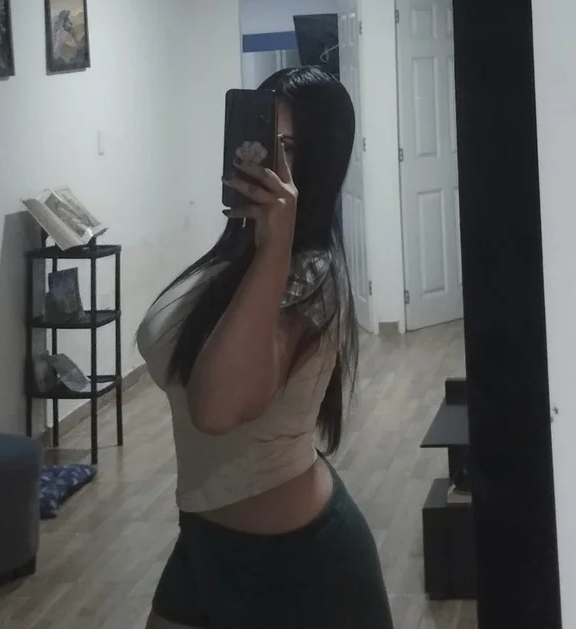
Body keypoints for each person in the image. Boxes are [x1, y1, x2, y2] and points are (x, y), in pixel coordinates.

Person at [136, 66, 394, 629]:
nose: (263, 160)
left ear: (318, 165)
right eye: (260, 139)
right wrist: (264, 242)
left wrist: (277, 243)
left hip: (299, 564)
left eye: (288, 149)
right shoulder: (235, 253)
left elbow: (216, 408)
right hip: (202, 536)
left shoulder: (311, 276)